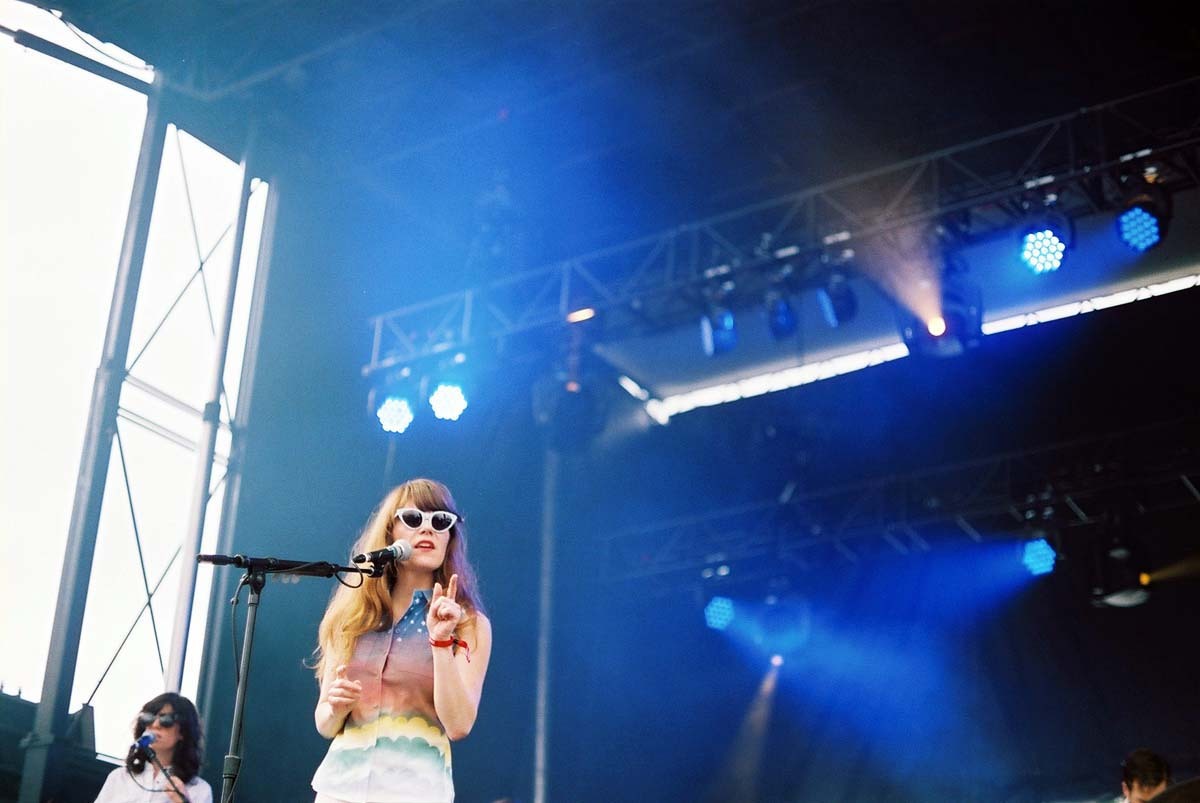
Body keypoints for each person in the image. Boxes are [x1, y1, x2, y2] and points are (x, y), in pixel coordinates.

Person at [311, 478, 492, 803]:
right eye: (413, 518)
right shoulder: (352, 616)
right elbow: (324, 723)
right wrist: (336, 708)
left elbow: (460, 724)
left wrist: (440, 643)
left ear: (450, 537)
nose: (428, 529)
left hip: (415, 791)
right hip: (339, 788)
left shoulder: (468, 623)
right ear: (389, 530)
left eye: (440, 522)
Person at [94, 692, 213, 803]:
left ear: (183, 731)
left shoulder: (199, 790)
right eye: (149, 718)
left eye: (166, 720)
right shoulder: (119, 777)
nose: (155, 725)